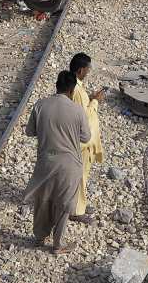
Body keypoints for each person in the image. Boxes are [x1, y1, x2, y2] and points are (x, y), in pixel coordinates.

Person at [23, 71, 91, 254]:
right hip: (69, 164)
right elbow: (86, 137)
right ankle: (57, 245)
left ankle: (38, 237)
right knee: (63, 205)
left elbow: (30, 132)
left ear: (56, 85)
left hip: (47, 160)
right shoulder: (77, 110)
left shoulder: (40, 105)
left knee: (43, 200)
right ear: (72, 89)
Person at [68, 53, 105, 223]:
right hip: (82, 142)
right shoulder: (76, 90)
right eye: (88, 69)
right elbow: (83, 116)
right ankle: (76, 210)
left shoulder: (76, 88)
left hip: (83, 141)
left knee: (83, 174)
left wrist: (89, 98)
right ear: (81, 70)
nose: (89, 72)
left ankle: (80, 204)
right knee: (80, 175)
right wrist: (95, 101)